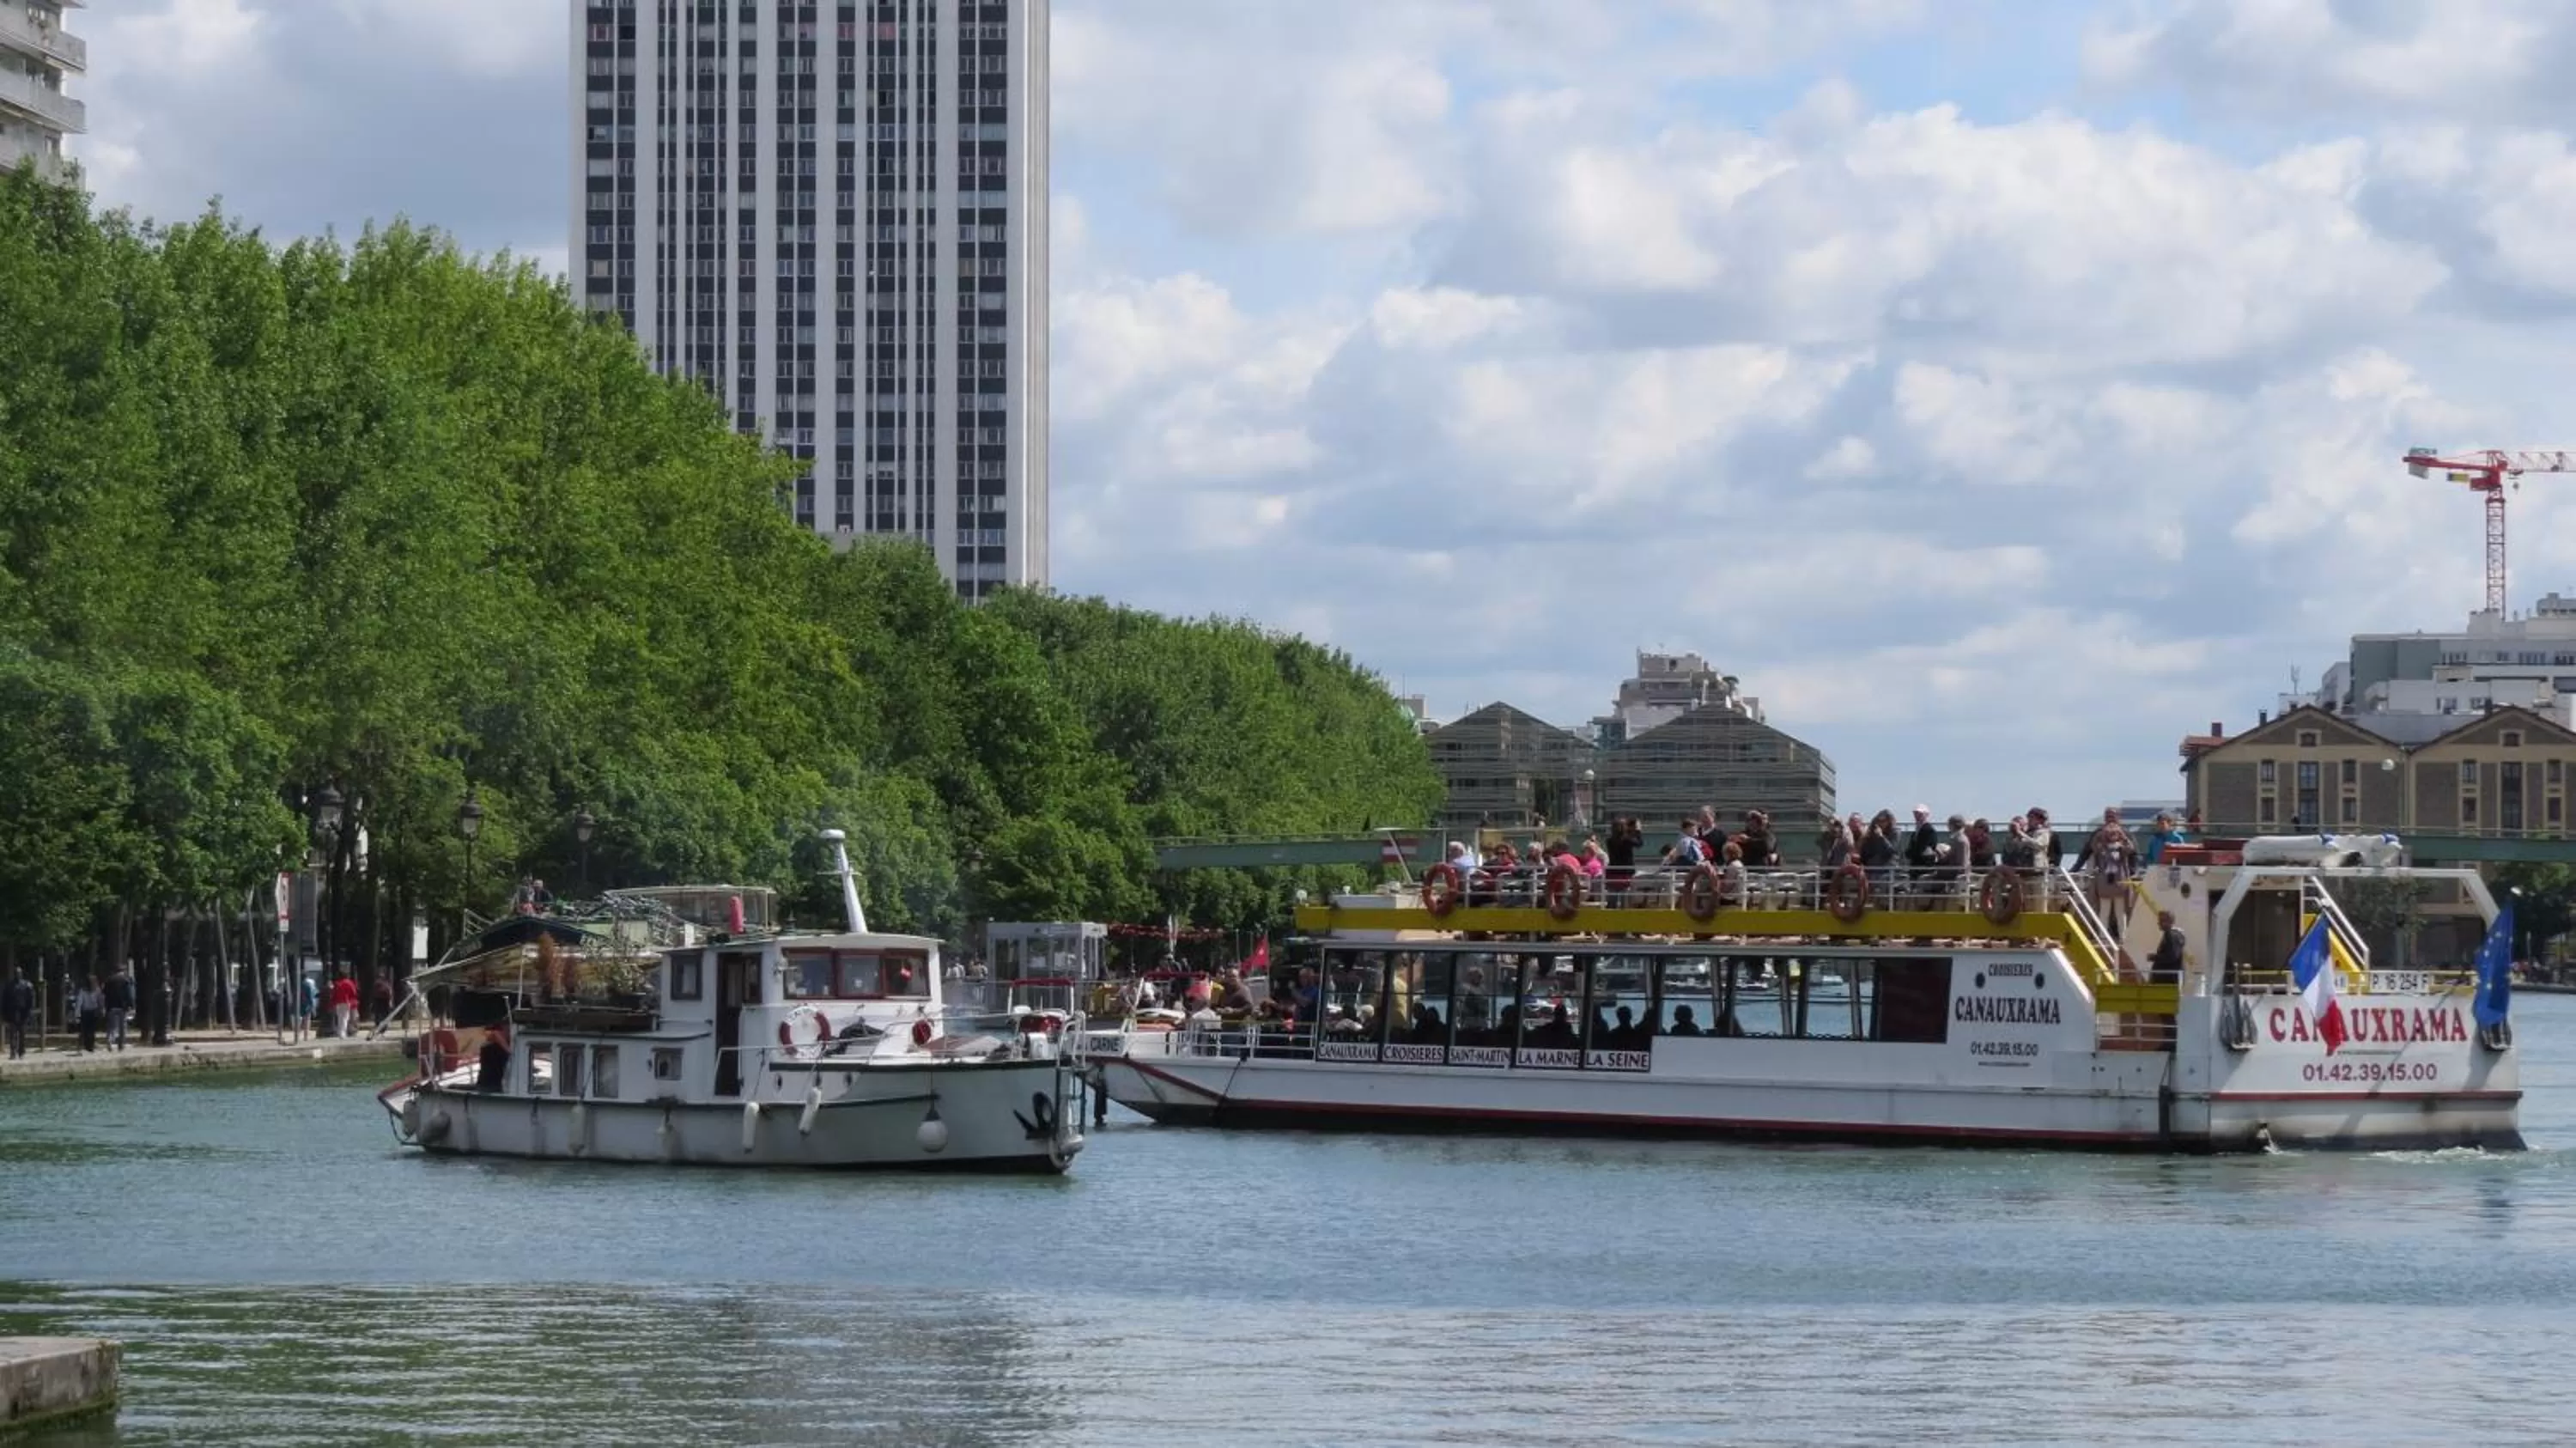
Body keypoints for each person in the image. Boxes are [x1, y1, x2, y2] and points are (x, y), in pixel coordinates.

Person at [1, 966, 32, 1059]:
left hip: (23, 1012)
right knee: (13, 1034)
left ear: (21, 974)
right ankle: (13, 1052)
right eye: (16, 973)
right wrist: (4, 1014)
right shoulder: (9, 985)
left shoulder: (26, 985)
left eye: (19, 973)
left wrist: (28, 1011)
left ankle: (21, 1052)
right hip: (12, 1013)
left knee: (22, 1034)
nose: (18, 975)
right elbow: (4, 1000)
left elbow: (30, 1000)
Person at [2148, 910, 2185, 984]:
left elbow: (2172, 956)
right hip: (2168, 979)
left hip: (2167, 980)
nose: (2159, 923)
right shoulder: (2174, 935)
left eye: (2162, 921)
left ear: (2170, 921)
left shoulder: (2171, 935)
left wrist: (2154, 957)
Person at [104, 964, 135, 1052]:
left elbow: (105, 993)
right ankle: (121, 1045)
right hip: (122, 1007)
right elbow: (129, 994)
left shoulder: (109, 980)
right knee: (122, 1027)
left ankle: (110, 1040)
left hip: (111, 1006)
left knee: (112, 1026)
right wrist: (131, 1005)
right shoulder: (126, 980)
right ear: (123, 971)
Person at [73, 973, 103, 1054]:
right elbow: (100, 1001)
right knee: (91, 1030)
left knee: (84, 1030)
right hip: (93, 1012)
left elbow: (79, 1003)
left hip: (85, 1012)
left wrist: (77, 1014)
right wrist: (101, 1010)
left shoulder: (83, 991)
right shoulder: (97, 990)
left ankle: (84, 1045)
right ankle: (90, 1046)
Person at [475, 1027, 511, 1092]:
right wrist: (509, 1051)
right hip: (489, 1084)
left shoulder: (489, 1046)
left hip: (494, 1083)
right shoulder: (490, 1046)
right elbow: (495, 1034)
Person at [329, 970, 360, 1039]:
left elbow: (334, 994)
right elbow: (354, 992)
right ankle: (342, 1033)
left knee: (340, 1017)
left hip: (338, 1002)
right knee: (345, 1018)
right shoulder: (349, 983)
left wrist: (333, 1002)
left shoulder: (337, 984)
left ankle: (340, 1032)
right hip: (346, 1001)